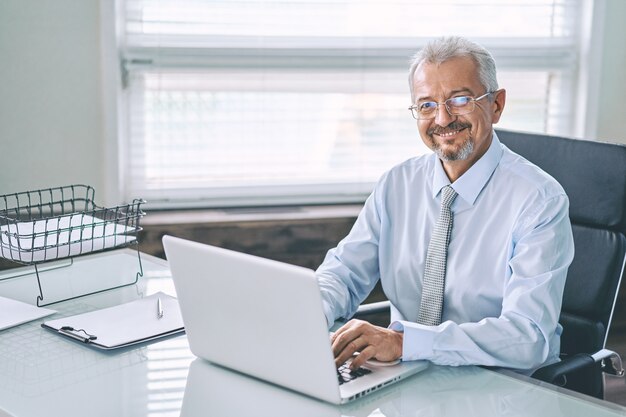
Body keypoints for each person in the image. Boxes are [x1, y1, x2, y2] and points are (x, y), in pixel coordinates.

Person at [316, 36, 574, 374]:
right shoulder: (397, 184)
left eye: (460, 99)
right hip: (406, 379)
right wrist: (307, 312)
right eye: (426, 105)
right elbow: (343, 274)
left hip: (502, 387)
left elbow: (528, 337)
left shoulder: (539, 201)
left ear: (496, 104)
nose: (442, 118)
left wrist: (405, 343)